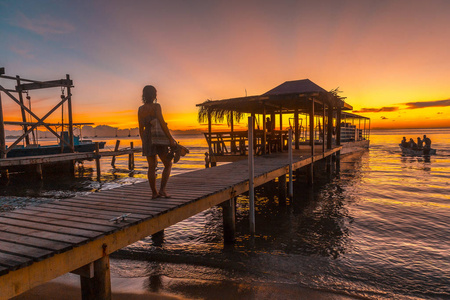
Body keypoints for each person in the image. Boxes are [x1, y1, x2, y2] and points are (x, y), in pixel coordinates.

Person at [138, 85, 177, 199]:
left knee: (151, 166)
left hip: (147, 138)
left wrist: (144, 142)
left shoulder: (140, 109)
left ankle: (154, 193)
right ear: (154, 95)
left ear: (144, 95)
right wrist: (170, 138)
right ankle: (162, 190)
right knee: (168, 164)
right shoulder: (156, 106)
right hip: (158, 137)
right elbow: (162, 123)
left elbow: (141, 128)